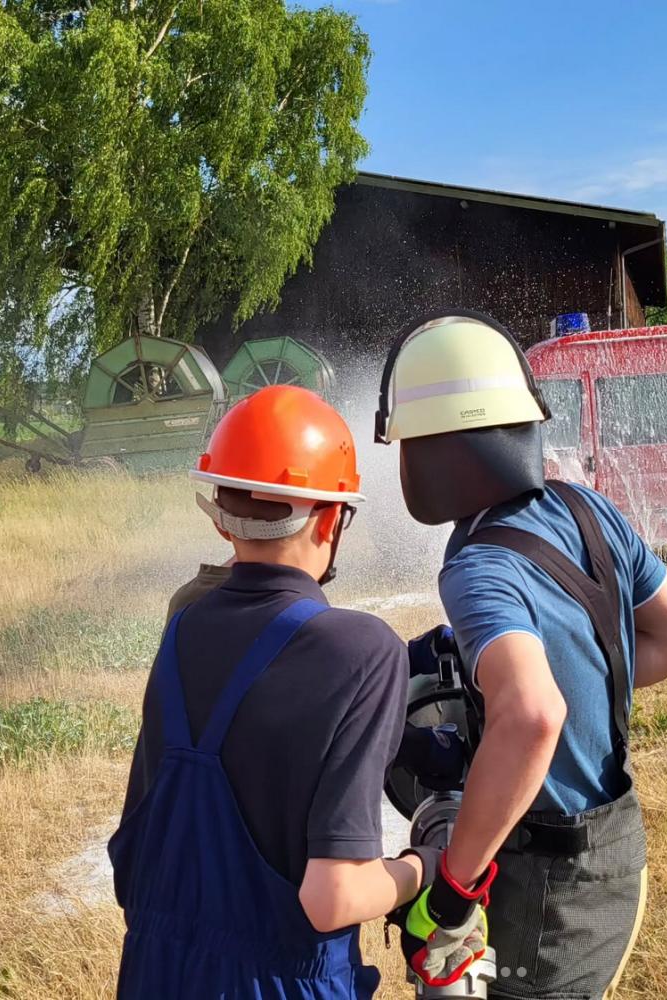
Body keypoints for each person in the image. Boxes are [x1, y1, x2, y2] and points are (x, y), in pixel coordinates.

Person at [375, 311, 667, 999]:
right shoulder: (588, 509)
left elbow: (532, 715)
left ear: (438, 449)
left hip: (547, 885)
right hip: (616, 845)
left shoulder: (475, 566)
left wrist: (452, 892)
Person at [109, 385, 441, 1000]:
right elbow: (332, 898)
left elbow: (131, 868)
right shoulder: (365, 650)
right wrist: (427, 863)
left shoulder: (182, 628)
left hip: (151, 973)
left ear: (222, 517)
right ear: (330, 518)